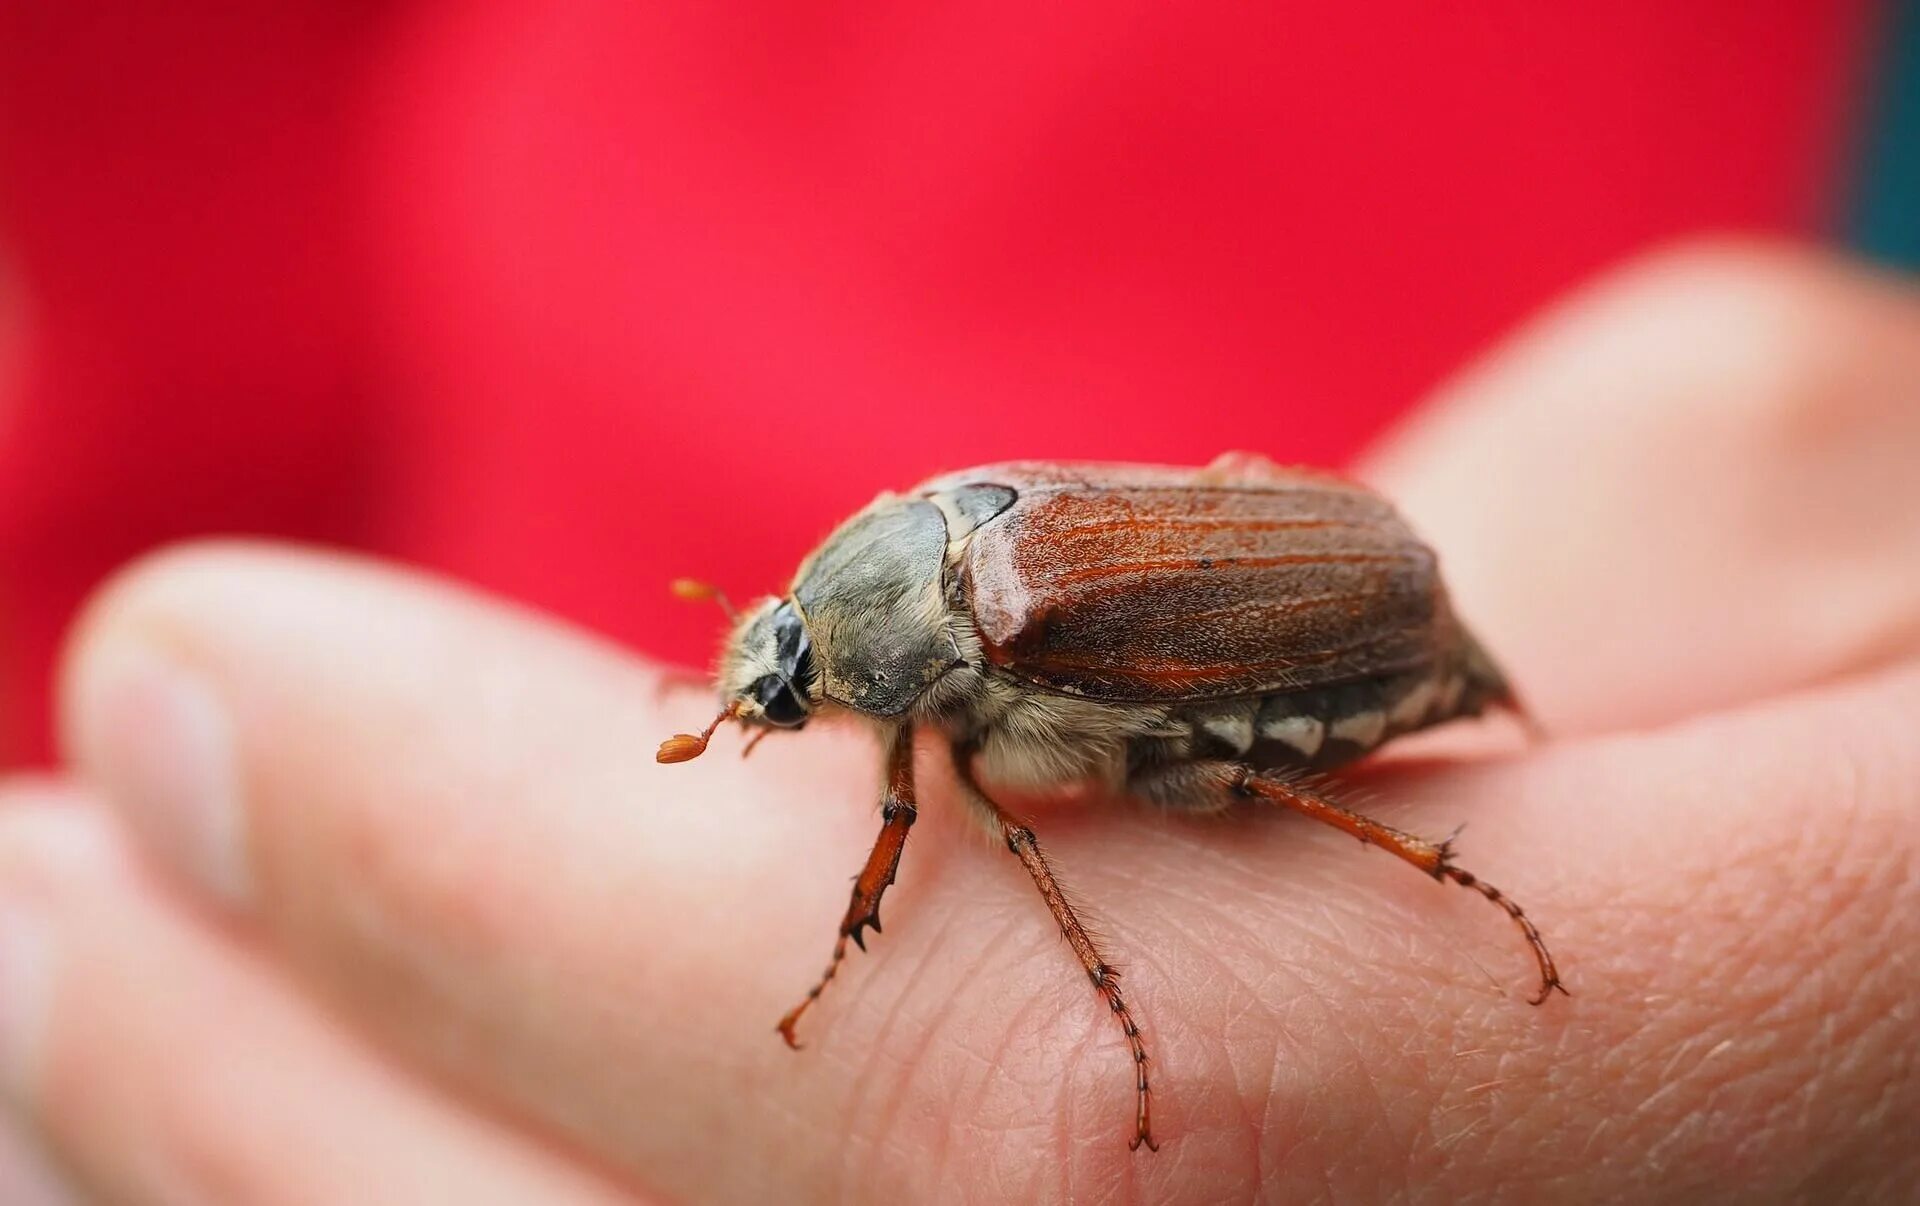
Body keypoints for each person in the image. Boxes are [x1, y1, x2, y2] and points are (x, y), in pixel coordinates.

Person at [0, 242, 1913, 1202]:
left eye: (798, 674)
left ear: (883, 655)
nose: (792, 697)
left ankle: (1438, 868)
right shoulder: (914, 563)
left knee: (1227, 779)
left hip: (1354, 627)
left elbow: (922, 835)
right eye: (779, 670)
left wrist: (1096, 1018)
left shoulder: (982, 660)